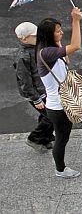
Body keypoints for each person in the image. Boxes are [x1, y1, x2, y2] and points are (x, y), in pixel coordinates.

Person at [36, 8, 82, 179]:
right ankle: (60, 169)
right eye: (58, 31)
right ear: (47, 35)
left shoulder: (52, 48)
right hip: (59, 106)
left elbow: (66, 60)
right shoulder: (46, 52)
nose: (61, 33)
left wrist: (59, 43)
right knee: (62, 137)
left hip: (71, 98)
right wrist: (75, 21)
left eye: (60, 30)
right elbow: (75, 46)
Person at [13, 22, 55, 153]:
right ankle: (35, 138)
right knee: (52, 116)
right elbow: (25, 81)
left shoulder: (34, 48)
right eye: (34, 36)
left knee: (47, 115)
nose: (38, 38)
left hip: (43, 88)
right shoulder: (23, 56)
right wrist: (35, 98)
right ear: (24, 38)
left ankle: (45, 137)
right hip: (37, 92)